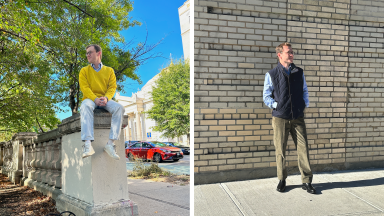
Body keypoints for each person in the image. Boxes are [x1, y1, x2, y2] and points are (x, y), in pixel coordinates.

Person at [263, 42, 316, 194]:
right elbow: (266, 96)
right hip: (280, 118)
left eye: (292, 52)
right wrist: (276, 106)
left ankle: (307, 181)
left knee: (303, 148)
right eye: (289, 52)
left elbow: (304, 90)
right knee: (280, 149)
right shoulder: (272, 74)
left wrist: (304, 104)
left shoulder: (299, 72)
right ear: (280, 55)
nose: (292, 54)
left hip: (298, 117)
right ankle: (282, 179)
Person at [79, 44, 125, 160]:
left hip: (105, 99)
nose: (87, 55)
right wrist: (95, 99)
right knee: (85, 106)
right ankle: (88, 144)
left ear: (98, 53)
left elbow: (112, 87)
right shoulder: (84, 71)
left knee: (119, 108)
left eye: (90, 52)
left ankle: (110, 144)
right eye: (87, 53)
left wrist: (107, 98)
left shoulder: (109, 71)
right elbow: (85, 88)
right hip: (90, 99)